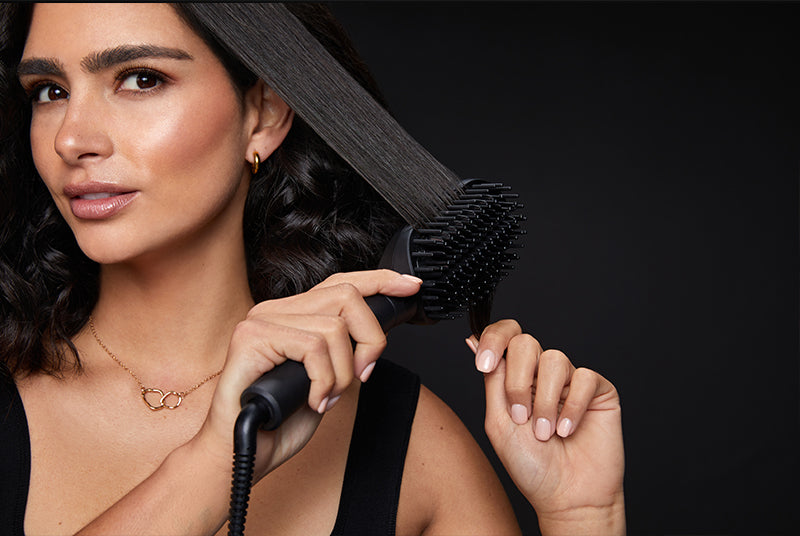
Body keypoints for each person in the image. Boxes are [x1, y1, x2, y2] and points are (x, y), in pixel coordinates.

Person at [0, 3, 625, 535]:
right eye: (50, 92)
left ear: (265, 114)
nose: (72, 139)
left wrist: (584, 517)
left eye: (139, 79)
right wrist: (212, 467)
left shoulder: (414, 451)